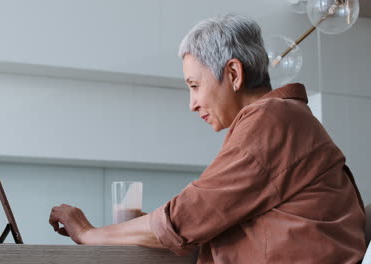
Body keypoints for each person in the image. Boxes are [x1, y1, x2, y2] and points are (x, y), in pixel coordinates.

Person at [49, 14, 366, 263]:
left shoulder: (271, 120)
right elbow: (206, 220)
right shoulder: (285, 119)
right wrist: (140, 227)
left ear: (233, 74)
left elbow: (186, 219)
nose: (192, 103)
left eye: (195, 85)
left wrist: (89, 233)